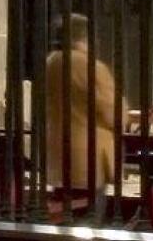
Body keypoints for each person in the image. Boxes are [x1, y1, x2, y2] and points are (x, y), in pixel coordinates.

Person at [42, 14, 120, 202]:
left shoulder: (50, 63)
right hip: (87, 158)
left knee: (62, 211)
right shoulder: (91, 67)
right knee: (90, 212)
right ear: (84, 38)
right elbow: (113, 113)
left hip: (58, 155)